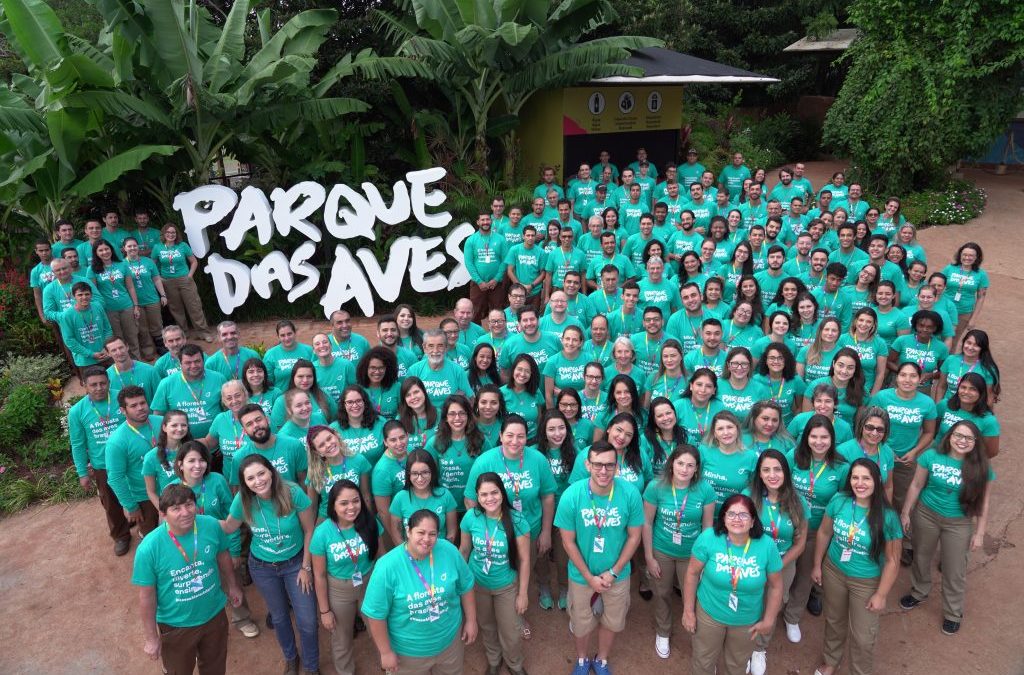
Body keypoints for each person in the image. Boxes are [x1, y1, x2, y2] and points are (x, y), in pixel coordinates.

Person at [132, 484, 242, 675]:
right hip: (176, 626)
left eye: (189, 504)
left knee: (215, 667)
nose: (185, 512)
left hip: (214, 615)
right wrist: (151, 638)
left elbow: (223, 555)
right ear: (163, 515)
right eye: (176, 508)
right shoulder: (149, 548)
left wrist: (233, 586)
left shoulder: (210, 525)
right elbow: (147, 597)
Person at [222, 455, 317, 674]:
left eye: (261, 473)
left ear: (271, 471)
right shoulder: (243, 500)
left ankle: (312, 666)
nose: (258, 481)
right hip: (263, 567)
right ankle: (291, 658)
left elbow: (310, 530)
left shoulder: (292, 492)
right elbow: (228, 527)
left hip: (295, 563)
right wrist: (195, 521)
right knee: (280, 617)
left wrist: (306, 567)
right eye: (251, 478)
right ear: (244, 482)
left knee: (308, 621)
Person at [555, 441, 644, 675]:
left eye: (609, 465)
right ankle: (583, 659)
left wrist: (614, 571)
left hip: (618, 574)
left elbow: (634, 537)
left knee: (612, 621)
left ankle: (601, 659)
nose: (603, 471)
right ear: (587, 464)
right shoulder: (571, 496)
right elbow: (567, 542)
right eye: (597, 465)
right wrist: (589, 577)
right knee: (582, 623)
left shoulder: (630, 493)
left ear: (617, 467)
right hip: (581, 575)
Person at [899, 421, 993, 635]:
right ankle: (919, 591)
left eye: (968, 438)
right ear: (949, 436)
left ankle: (953, 612)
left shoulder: (982, 467)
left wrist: (979, 533)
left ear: (975, 442)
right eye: (958, 435)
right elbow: (916, 485)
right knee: (921, 556)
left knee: (954, 568)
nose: (962, 441)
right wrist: (906, 511)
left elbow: (984, 503)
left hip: (959, 522)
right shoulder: (931, 456)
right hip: (926, 514)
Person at [811, 459, 903, 675]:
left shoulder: (888, 517)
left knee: (863, 636)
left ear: (877, 481)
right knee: (834, 621)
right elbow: (824, 533)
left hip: (866, 581)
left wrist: (881, 594)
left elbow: (892, 560)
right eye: (855, 477)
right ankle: (831, 662)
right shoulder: (839, 501)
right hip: (833, 571)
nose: (860, 483)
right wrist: (817, 565)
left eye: (866, 478)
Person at [362, 509, 478, 674]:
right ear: (408, 531)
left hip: (449, 643)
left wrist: (471, 620)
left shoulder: (449, 551)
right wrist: (386, 652)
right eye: (421, 532)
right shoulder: (387, 566)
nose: (426, 539)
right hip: (408, 653)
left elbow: (466, 586)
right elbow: (375, 614)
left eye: (432, 534)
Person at [682, 494, 783, 675]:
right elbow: (692, 573)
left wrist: (769, 620)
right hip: (709, 614)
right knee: (703, 660)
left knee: (737, 665)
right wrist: (688, 611)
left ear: (753, 521)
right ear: (723, 518)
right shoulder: (709, 538)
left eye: (743, 515)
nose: (737, 519)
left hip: (746, 620)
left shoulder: (767, 546)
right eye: (731, 514)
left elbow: (776, 586)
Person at [642, 444, 716, 658]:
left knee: (692, 596)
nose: (684, 469)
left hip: (692, 554)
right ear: (671, 463)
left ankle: (697, 636)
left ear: (697, 469)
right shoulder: (656, 487)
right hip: (661, 549)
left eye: (690, 465)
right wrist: (648, 556)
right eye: (680, 463)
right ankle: (663, 631)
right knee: (662, 592)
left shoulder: (705, 490)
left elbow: (707, 528)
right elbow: (646, 523)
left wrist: (705, 560)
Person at [460, 473, 532, 675]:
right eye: (484, 494)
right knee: (487, 625)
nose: (489, 498)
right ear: (477, 496)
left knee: (511, 631)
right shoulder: (471, 517)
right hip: (478, 584)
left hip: (506, 586)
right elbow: (464, 550)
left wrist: (523, 593)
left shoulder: (517, 520)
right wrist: (458, 582)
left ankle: (514, 664)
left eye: (494, 493)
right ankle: (494, 660)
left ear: (502, 493)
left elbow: (525, 559)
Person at [785, 415, 850, 627]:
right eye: (814, 436)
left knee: (805, 576)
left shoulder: (841, 467)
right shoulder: (793, 457)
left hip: (817, 530)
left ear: (832, 439)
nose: (819, 442)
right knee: (782, 571)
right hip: (785, 526)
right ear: (806, 438)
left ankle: (792, 618)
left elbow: (843, 501)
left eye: (824, 437)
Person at [465, 415, 557, 564]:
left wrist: (546, 532)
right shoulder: (484, 462)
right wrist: (483, 529)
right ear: (501, 436)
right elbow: (470, 500)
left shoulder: (538, 459)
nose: (515, 441)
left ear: (527, 438)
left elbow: (548, 497)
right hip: (495, 535)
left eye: (520, 436)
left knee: (526, 574)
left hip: (530, 531)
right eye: (509, 435)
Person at [747, 450, 810, 666]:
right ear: (760, 474)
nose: (772, 474)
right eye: (766, 470)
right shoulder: (749, 497)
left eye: (777, 469)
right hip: (750, 562)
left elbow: (800, 543)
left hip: (783, 563)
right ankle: (743, 646)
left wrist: (777, 566)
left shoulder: (798, 502)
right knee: (749, 602)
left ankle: (759, 648)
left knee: (773, 604)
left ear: (786, 472)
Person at [311, 479, 380, 675]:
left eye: (355, 501)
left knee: (378, 627)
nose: (351, 507)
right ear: (332, 505)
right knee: (341, 636)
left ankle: (388, 665)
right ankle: (345, 671)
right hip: (339, 589)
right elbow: (320, 575)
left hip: (369, 582)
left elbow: (381, 557)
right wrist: (325, 611)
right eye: (344, 503)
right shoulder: (322, 533)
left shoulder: (369, 521)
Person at [69, 366, 131, 555]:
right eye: (93, 385)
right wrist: (82, 473)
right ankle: (121, 535)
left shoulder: (122, 398)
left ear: (109, 383)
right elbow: (78, 444)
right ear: (84, 386)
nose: (99, 388)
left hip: (131, 459)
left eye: (103, 383)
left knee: (140, 494)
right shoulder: (77, 411)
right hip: (103, 465)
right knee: (111, 502)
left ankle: (145, 525)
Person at [105, 385, 163, 537]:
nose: (140, 408)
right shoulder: (116, 442)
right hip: (144, 497)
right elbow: (115, 478)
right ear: (123, 410)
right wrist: (130, 506)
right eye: (133, 405)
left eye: (143, 403)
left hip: (171, 488)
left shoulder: (163, 423)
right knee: (152, 536)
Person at [151, 223, 212, 342]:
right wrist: (159, 277)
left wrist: (189, 276)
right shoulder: (157, 247)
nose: (171, 235)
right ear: (164, 234)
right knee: (176, 309)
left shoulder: (182, 246)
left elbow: (194, 262)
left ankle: (203, 332)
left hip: (185, 280)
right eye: (168, 232)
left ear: (176, 234)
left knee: (194, 306)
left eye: (173, 232)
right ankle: (183, 334)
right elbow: (152, 265)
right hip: (167, 282)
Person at [152, 343, 227, 439]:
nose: (193, 365)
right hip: (181, 445)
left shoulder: (218, 378)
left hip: (216, 443)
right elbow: (158, 416)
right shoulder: (166, 383)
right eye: (188, 363)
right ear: (180, 363)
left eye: (197, 361)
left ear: (203, 361)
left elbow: (227, 409)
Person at [425, 395, 484, 511]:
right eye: (452, 414)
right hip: (444, 506)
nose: (457, 418)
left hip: (475, 505)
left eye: (462, 413)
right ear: (445, 417)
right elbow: (426, 472)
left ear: (468, 416)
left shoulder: (480, 440)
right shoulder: (434, 443)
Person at [88, 238, 142, 359]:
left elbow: (130, 287)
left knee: (132, 335)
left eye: (106, 249)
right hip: (108, 309)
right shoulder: (92, 270)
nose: (104, 252)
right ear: (96, 253)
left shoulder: (122, 264)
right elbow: (93, 293)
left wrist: (136, 306)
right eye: (100, 250)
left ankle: (136, 362)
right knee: (117, 338)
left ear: (111, 250)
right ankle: (122, 363)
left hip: (127, 306)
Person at [229, 404, 307, 487]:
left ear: (267, 419)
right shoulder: (239, 458)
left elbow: (304, 482)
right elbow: (239, 491)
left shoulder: (293, 445)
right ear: (244, 431)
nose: (256, 425)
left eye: (258, 420)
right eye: (249, 424)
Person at [389, 450, 458, 544]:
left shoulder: (445, 495)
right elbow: (397, 537)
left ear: (432, 472)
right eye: (414, 473)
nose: (420, 478)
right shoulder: (399, 498)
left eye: (425, 472)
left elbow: (451, 533)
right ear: (408, 474)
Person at [306, 425, 372, 522]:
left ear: (336, 436)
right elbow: (312, 508)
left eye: (329, 438)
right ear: (317, 452)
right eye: (321, 445)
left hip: (356, 515)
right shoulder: (315, 472)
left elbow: (365, 496)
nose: (328, 445)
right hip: (327, 520)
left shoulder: (358, 460)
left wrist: (368, 520)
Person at [699, 411, 757, 511]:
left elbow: (755, 488)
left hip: (734, 518)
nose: (726, 432)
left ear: (737, 430)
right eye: (720, 429)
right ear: (715, 433)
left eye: (730, 427)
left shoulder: (751, 457)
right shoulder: (703, 451)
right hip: (703, 514)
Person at [122, 236, 167, 359]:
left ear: (138, 247)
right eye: (129, 246)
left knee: (157, 324)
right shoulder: (121, 265)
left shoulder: (148, 261)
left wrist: (162, 294)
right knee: (142, 328)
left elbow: (156, 279)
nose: (132, 248)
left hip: (152, 299)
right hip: (135, 302)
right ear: (124, 248)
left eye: (134, 245)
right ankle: (148, 350)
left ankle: (161, 347)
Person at [838, 407, 896, 499]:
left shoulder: (887, 451)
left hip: (876, 505)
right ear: (861, 426)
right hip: (849, 505)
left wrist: (887, 510)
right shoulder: (843, 451)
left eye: (880, 429)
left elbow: (888, 487)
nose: (874, 433)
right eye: (870, 427)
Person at [407, 329, 472, 409]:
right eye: (431, 346)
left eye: (440, 346)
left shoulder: (457, 370)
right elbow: (406, 399)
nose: (435, 351)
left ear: (446, 347)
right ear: (424, 348)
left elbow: (470, 398)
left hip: (449, 418)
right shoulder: (414, 370)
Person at [58, 282, 113, 374]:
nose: (84, 297)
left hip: (105, 354)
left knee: (112, 383)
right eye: (80, 295)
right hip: (85, 361)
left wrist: (106, 347)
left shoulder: (97, 306)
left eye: (87, 294)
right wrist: (91, 354)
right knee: (94, 387)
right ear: (73, 296)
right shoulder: (67, 315)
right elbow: (69, 341)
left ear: (91, 295)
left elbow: (107, 329)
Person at [143, 410, 192, 510]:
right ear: (164, 427)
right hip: (171, 507)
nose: (179, 429)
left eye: (183, 425)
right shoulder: (151, 457)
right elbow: (151, 492)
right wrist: (163, 512)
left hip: (194, 503)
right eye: (174, 425)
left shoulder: (193, 450)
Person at [942, 242, 988, 342]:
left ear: (977, 257)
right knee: (937, 336)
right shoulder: (949, 268)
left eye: (971, 255)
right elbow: (937, 285)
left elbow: (981, 297)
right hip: (944, 309)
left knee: (952, 340)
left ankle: (949, 358)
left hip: (964, 312)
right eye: (964, 255)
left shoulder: (981, 274)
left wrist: (973, 319)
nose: (967, 258)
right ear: (960, 255)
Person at [335, 385, 387, 464]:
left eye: (358, 401)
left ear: (364, 402)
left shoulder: (381, 422)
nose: (355, 405)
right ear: (344, 405)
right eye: (350, 402)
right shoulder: (334, 429)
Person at [105, 335, 161, 402]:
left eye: (121, 348)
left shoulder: (150, 370)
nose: (119, 352)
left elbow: (161, 399)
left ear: (127, 347)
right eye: (114, 350)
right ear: (108, 353)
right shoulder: (106, 377)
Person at [263, 320, 316, 392]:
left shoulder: (308, 350)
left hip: (306, 396)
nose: (287, 338)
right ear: (278, 336)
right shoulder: (270, 354)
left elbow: (315, 374)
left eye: (289, 334)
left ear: (295, 333)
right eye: (282, 335)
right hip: (282, 397)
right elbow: (268, 382)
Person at [356, 347, 402, 420]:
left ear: (387, 369)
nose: (377, 372)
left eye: (381, 368)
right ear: (365, 368)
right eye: (373, 368)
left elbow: (404, 412)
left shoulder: (397, 387)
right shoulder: (358, 390)